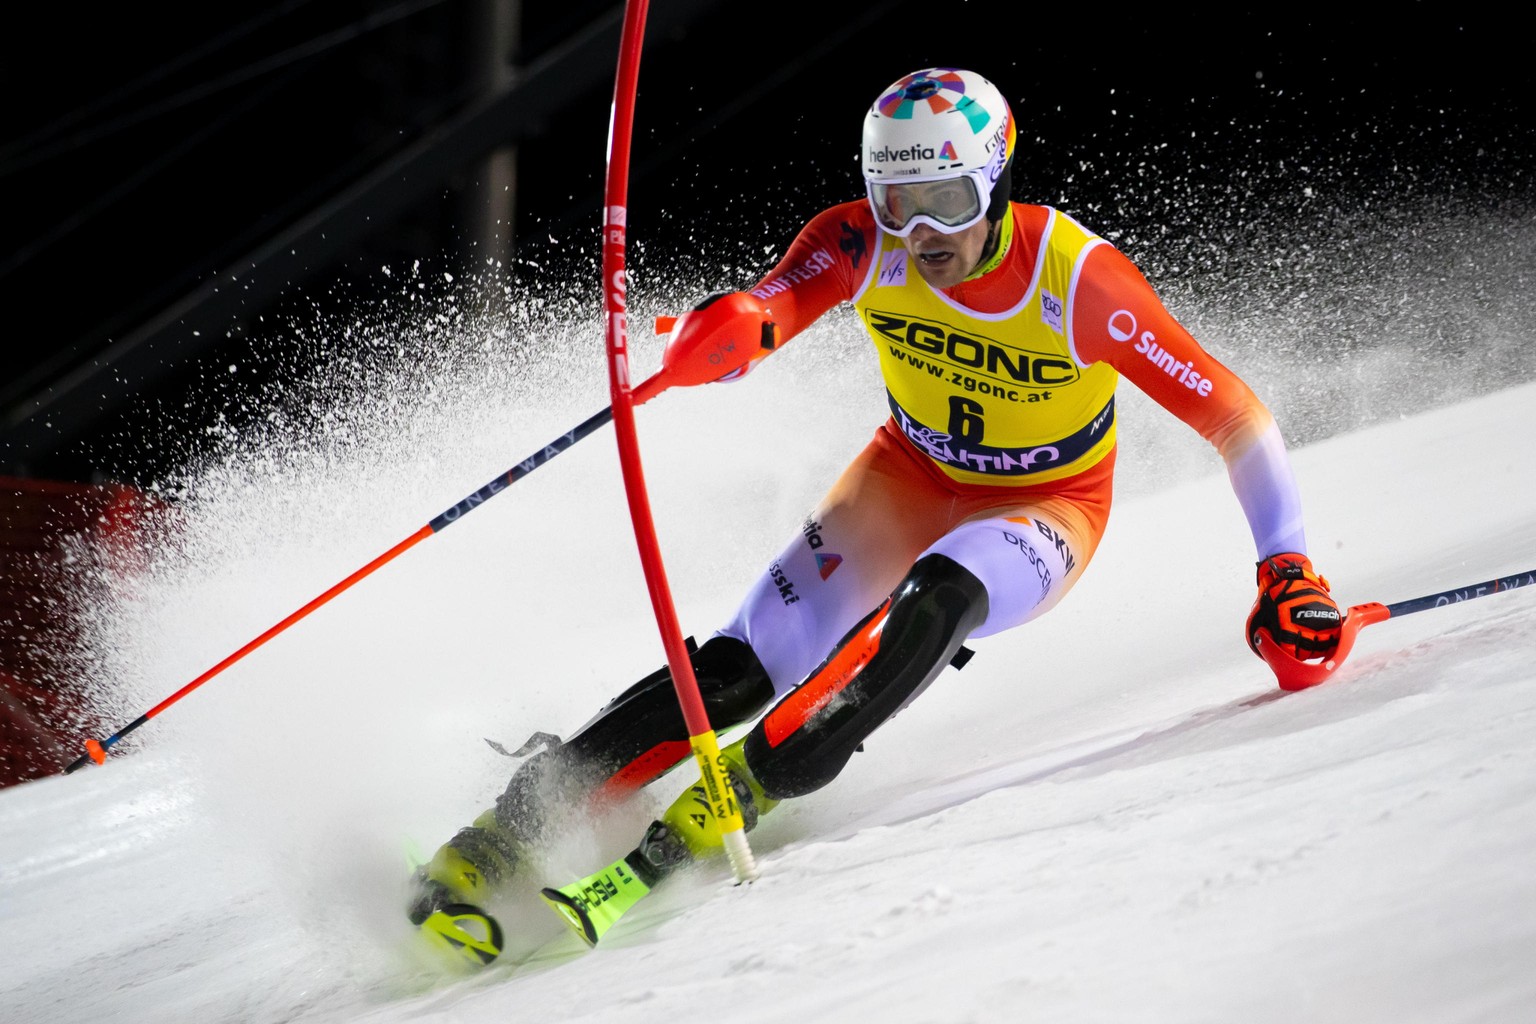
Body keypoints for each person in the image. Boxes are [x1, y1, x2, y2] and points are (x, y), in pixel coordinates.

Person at [407, 67, 1343, 942]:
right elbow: (774, 305)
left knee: (937, 600)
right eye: (900, 204)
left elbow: (1236, 416)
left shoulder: (1078, 282)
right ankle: (504, 832)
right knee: (739, 668)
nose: (923, 233)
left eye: (948, 202)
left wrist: (1286, 566)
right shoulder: (859, 239)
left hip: (1046, 502)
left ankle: (748, 787)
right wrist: (726, 335)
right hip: (908, 471)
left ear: (998, 184)